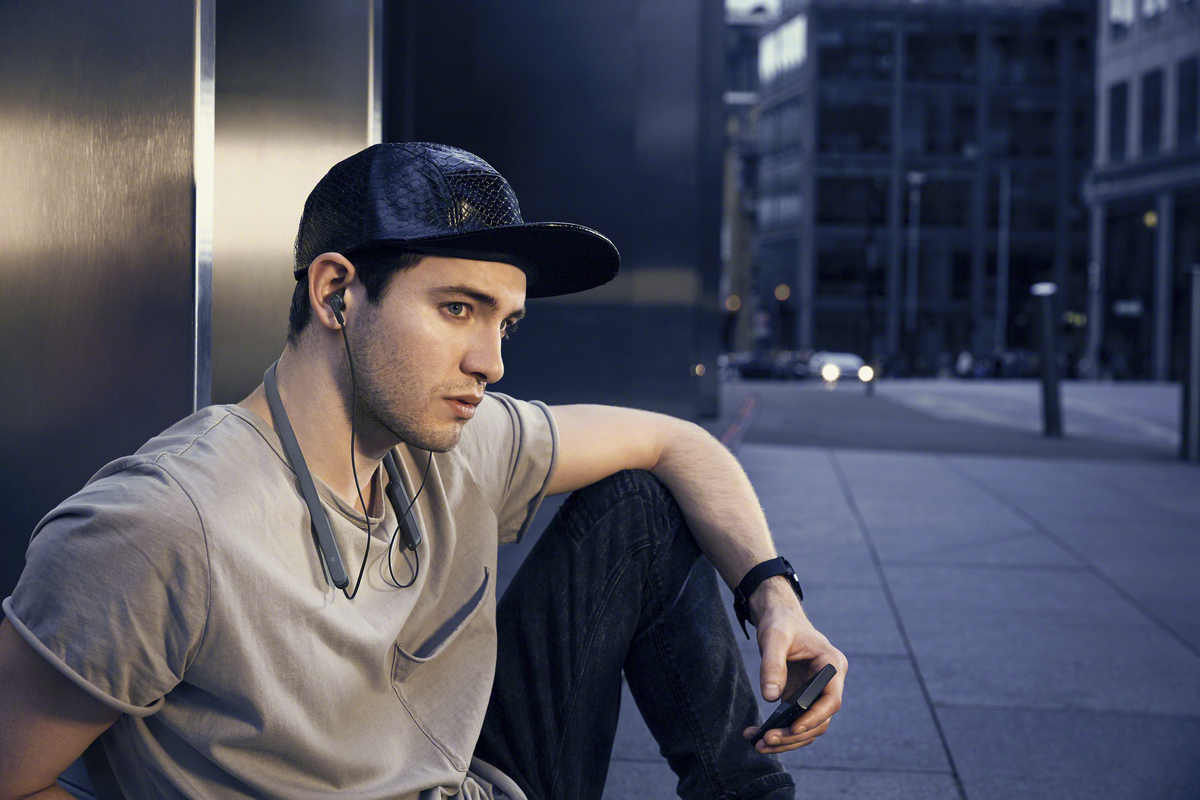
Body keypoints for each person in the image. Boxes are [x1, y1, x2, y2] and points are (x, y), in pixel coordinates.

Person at [0, 143, 847, 800]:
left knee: (640, 509)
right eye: (457, 308)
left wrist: (774, 597)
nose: (491, 363)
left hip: (478, 784)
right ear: (336, 293)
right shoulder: (159, 525)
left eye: (504, 324)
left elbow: (677, 443)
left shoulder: (454, 440)